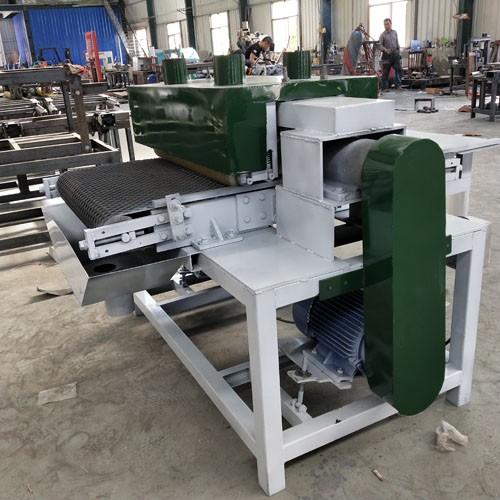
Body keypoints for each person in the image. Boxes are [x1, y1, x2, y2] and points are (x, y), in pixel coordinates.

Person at [379, 18, 402, 91]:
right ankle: (385, 87)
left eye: (387, 24)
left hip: (395, 54)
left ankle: (398, 85)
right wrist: (385, 49)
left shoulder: (394, 33)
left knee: (398, 70)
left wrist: (399, 52)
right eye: (385, 25)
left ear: (391, 24)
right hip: (387, 55)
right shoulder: (382, 35)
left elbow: (397, 43)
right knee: (385, 72)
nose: (386, 26)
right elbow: (379, 45)